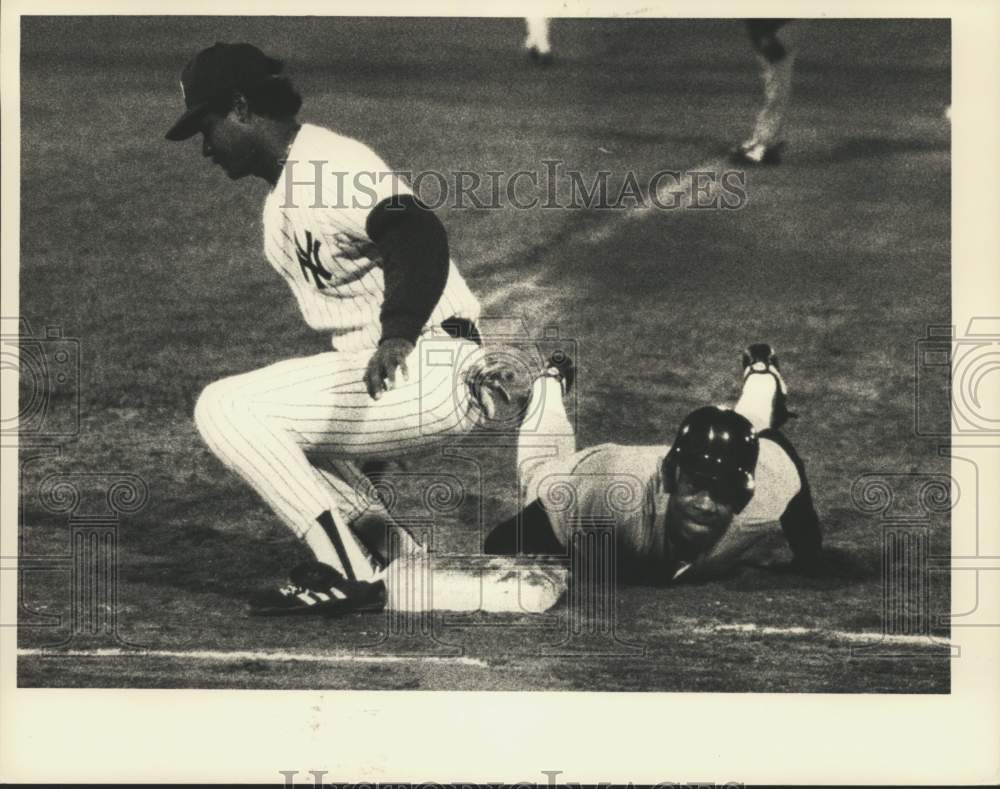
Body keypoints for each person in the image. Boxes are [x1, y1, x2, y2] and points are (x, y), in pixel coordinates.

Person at [165, 42, 506, 616]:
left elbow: (417, 232)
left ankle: (346, 570)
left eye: (207, 126)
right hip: (413, 372)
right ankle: (396, 557)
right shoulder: (283, 201)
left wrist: (398, 334)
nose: (204, 148)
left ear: (241, 108)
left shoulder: (327, 167)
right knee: (280, 426)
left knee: (225, 407)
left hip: (430, 364)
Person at [484, 343, 823, 583]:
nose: (705, 504)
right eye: (696, 485)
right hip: (585, 475)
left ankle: (762, 373)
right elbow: (501, 541)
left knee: (741, 430)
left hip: (684, 461)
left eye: (722, 491)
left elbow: (778, 449)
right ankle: (548, 383)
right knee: (539, 471)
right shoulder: (608, 499)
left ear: (744, 496)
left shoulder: (766, 492)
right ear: (671, 478)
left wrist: (809, 555)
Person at [730, 20, 798, 166]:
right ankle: (765, 144)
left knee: (777, 86)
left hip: (782, 24)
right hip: (773, 27)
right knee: (777, 84)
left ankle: (764, 146)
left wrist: (766, 36)